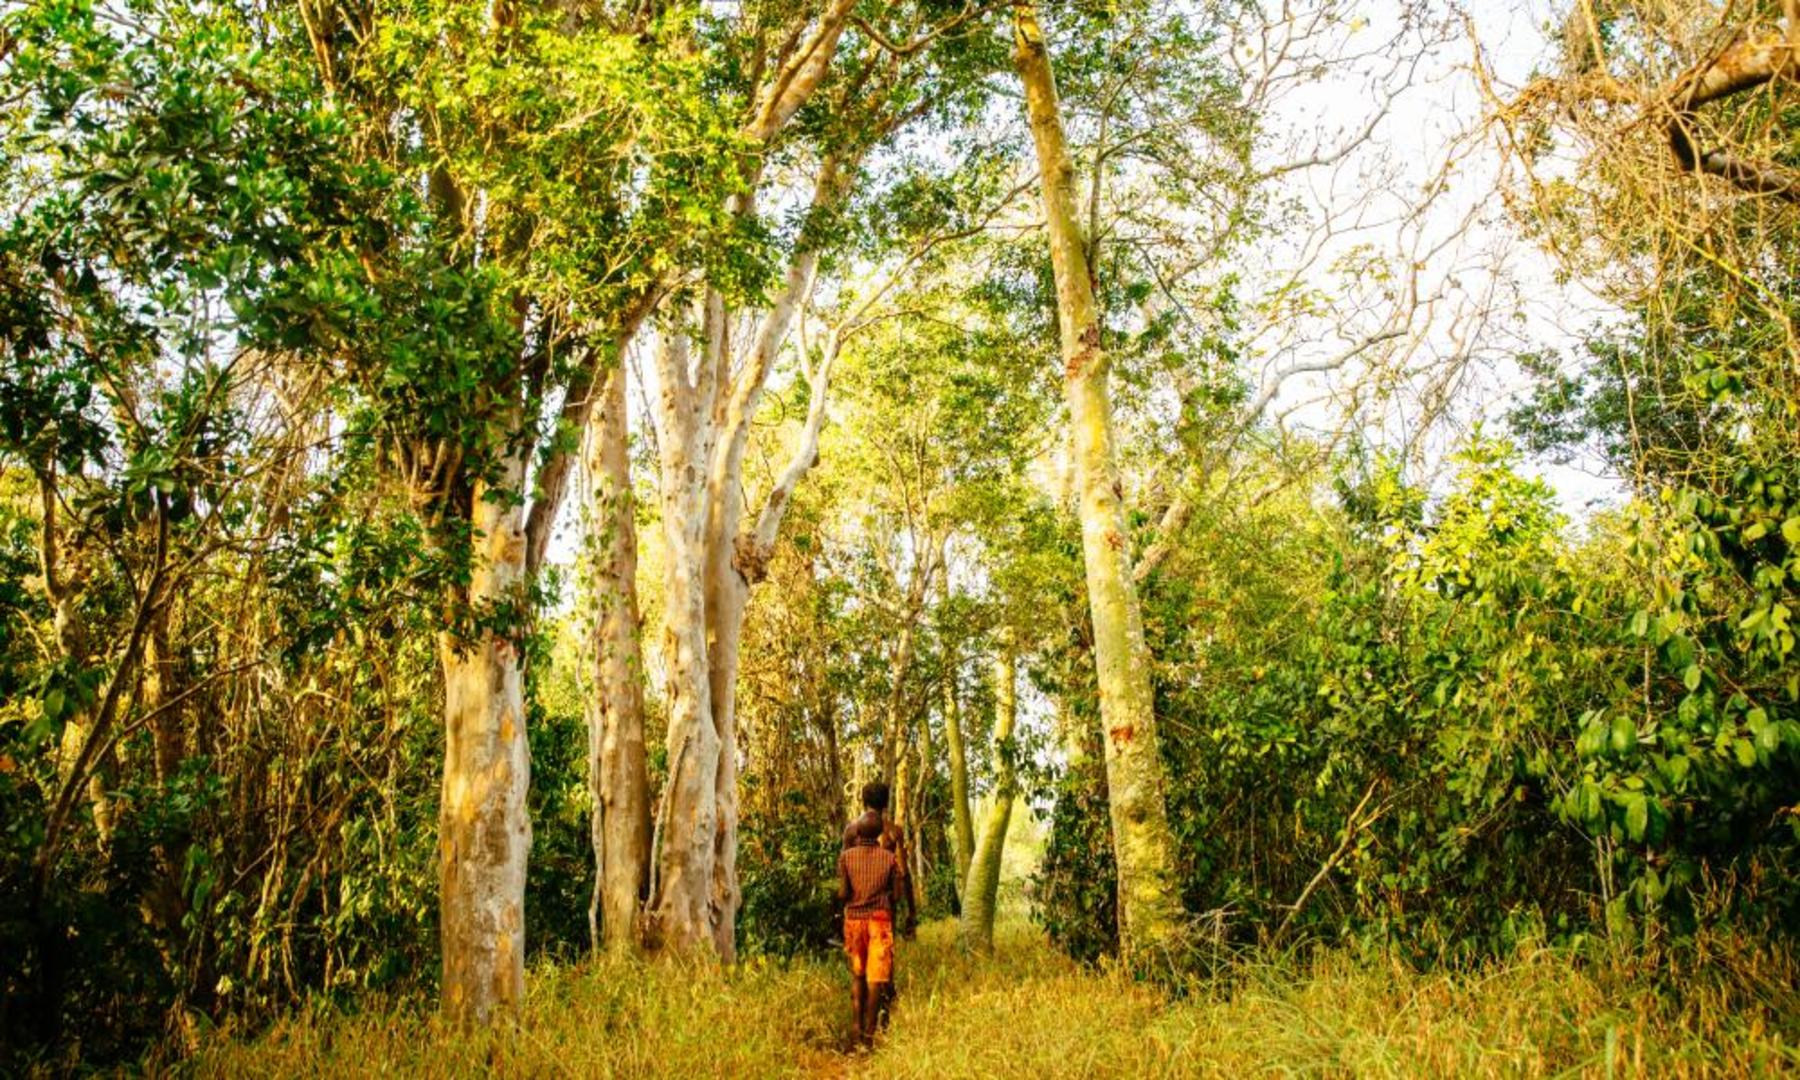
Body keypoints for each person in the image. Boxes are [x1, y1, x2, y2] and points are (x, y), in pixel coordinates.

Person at [836, 811, 898, 1048]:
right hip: (880, 922)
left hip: (854, 921)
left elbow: (842, 893)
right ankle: (870, 1035)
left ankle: (855, 1027)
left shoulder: (846, 857)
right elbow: (896, 894)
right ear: (880, 834)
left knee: (858, 975)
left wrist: (840, 902)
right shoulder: (888, 858)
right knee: (876, 979)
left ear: (858, 832)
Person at [841, 781, 916, 938]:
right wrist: (911, 912)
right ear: (885, 804)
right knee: (882, 954)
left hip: (856, 907)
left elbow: (843, 871)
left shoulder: (851, 830)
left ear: (864, 802)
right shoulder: (894, 832)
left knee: (859, 956)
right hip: (884, 907)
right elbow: (903, 872)